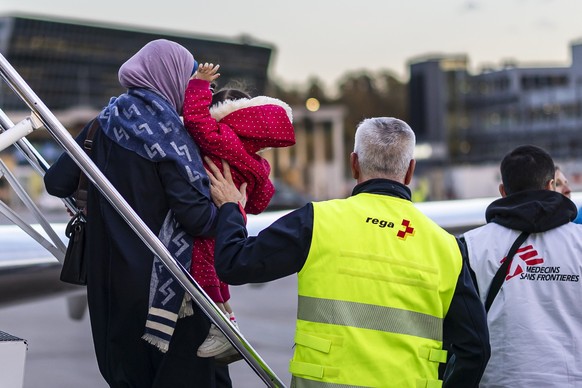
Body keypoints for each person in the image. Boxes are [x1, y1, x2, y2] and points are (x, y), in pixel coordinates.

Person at [205, 117, 491, 387]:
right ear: (410, 170)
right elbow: (474, 348)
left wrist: (231, 208)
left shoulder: (317, 221)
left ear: (354, 164)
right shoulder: (446, 246)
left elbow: (234, 263)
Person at [44, 39, 231, 387]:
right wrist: (231, 207)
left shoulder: (103, 121)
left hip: (109, 285)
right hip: (167, 290)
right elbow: (197, 220)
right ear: (170, 77)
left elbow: (56, 182)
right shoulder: (171, 136)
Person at [182, 62, 295, 360]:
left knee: (203, 270)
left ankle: (221, 328)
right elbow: (260, 202)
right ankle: (229, 323)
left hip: (209, 218)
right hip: (233, 220)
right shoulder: (256, 161)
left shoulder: (220, 139)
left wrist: (198, 85)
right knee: (219, 273)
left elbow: (194, 120)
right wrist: (240, 202)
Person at [461, 145, 582, 387]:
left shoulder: (470, 246)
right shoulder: (578, 241)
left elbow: (462, 330)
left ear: (503, 191)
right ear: (550, 186)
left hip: (499, 380)